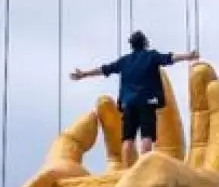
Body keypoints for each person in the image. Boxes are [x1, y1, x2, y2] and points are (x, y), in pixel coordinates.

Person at [70, 30, 199, 167]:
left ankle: (126, 169)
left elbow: (104, 69)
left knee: (128, 138)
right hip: (146, 100)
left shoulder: (124, 61)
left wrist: (83, 74)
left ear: (132, 45)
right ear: (145, 43)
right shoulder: (151, 56)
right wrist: (188, 56)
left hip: (128, 103)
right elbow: (170, 58)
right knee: (146, 135)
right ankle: (144, 167)